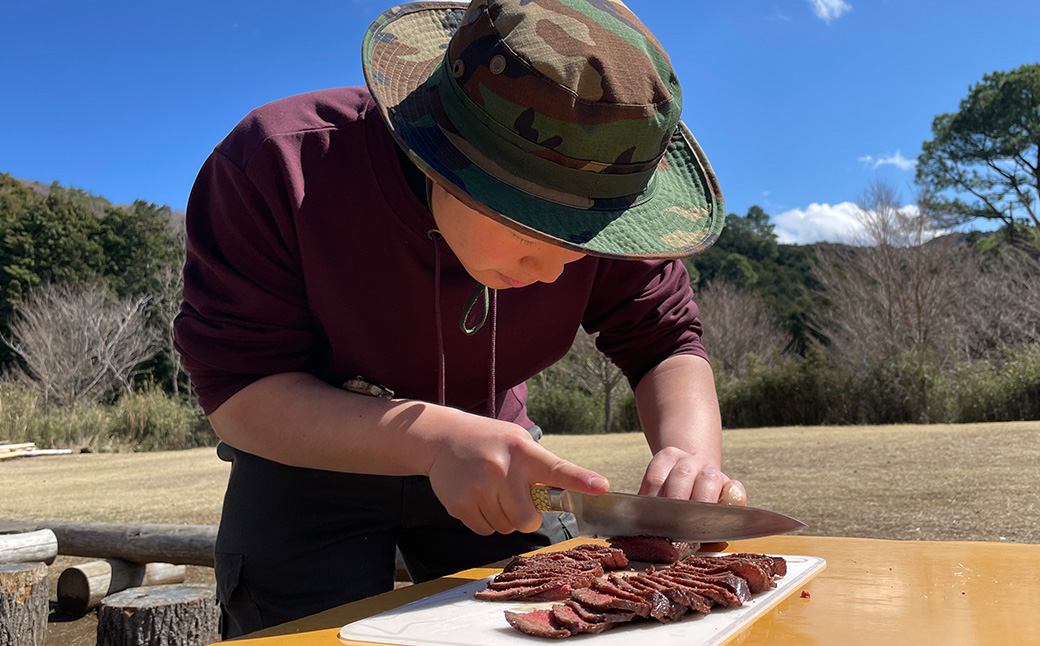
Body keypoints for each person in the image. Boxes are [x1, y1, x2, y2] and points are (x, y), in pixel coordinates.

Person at [174, 0, 745, 638]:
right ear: (441, 155)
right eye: (531, 225)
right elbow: (238, 391)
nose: (554, 270)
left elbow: (664, 341)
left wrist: (690, 460)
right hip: (304, 457)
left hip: (497, 461)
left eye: (586, 239)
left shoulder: (607, 180)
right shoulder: (279, 163)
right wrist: (434, 440)